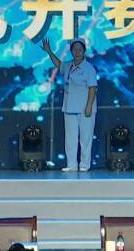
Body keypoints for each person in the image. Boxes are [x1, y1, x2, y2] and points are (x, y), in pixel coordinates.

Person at [42, 37, 98, 172]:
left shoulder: (89, 68)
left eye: (80, 49)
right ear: (71, 51)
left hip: (85, 108)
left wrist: (89, 106)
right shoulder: (68, 66)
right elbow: (58, 64)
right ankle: (71, 164)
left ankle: (84, 165)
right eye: (74, 49)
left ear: (84, 51)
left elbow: (92, 88)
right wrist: (49, 51)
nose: (77, 52)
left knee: (85, 138)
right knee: (70, 139)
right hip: (69, 107)